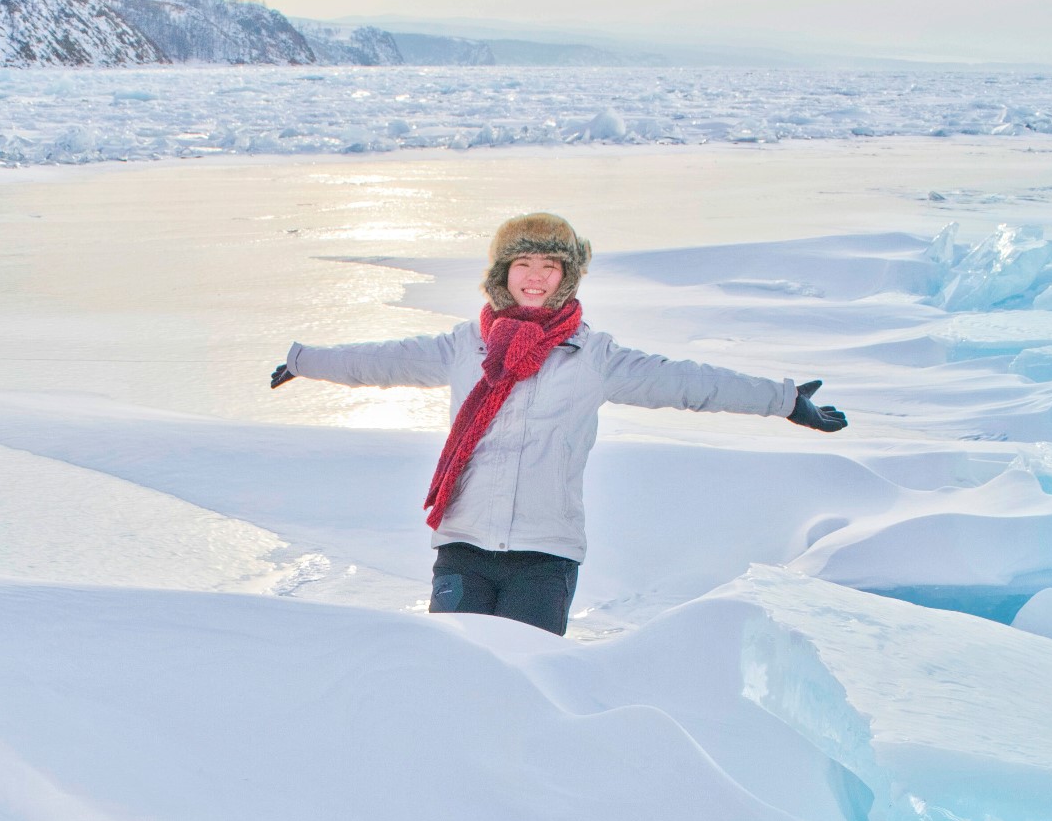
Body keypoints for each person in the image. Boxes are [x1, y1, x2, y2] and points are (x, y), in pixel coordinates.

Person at [269, 211, 847, 636]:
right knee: (455, 681)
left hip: (544, 557)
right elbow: (381, 361)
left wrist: (784, 399)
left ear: (568, 277)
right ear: (503, 272)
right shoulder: (463, 347)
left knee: (526, 691)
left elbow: (689, 382)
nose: (536, 277)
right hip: (464, 546)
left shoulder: (592, 357)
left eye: (551, 266)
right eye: (524, 264)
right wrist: (306, 361)